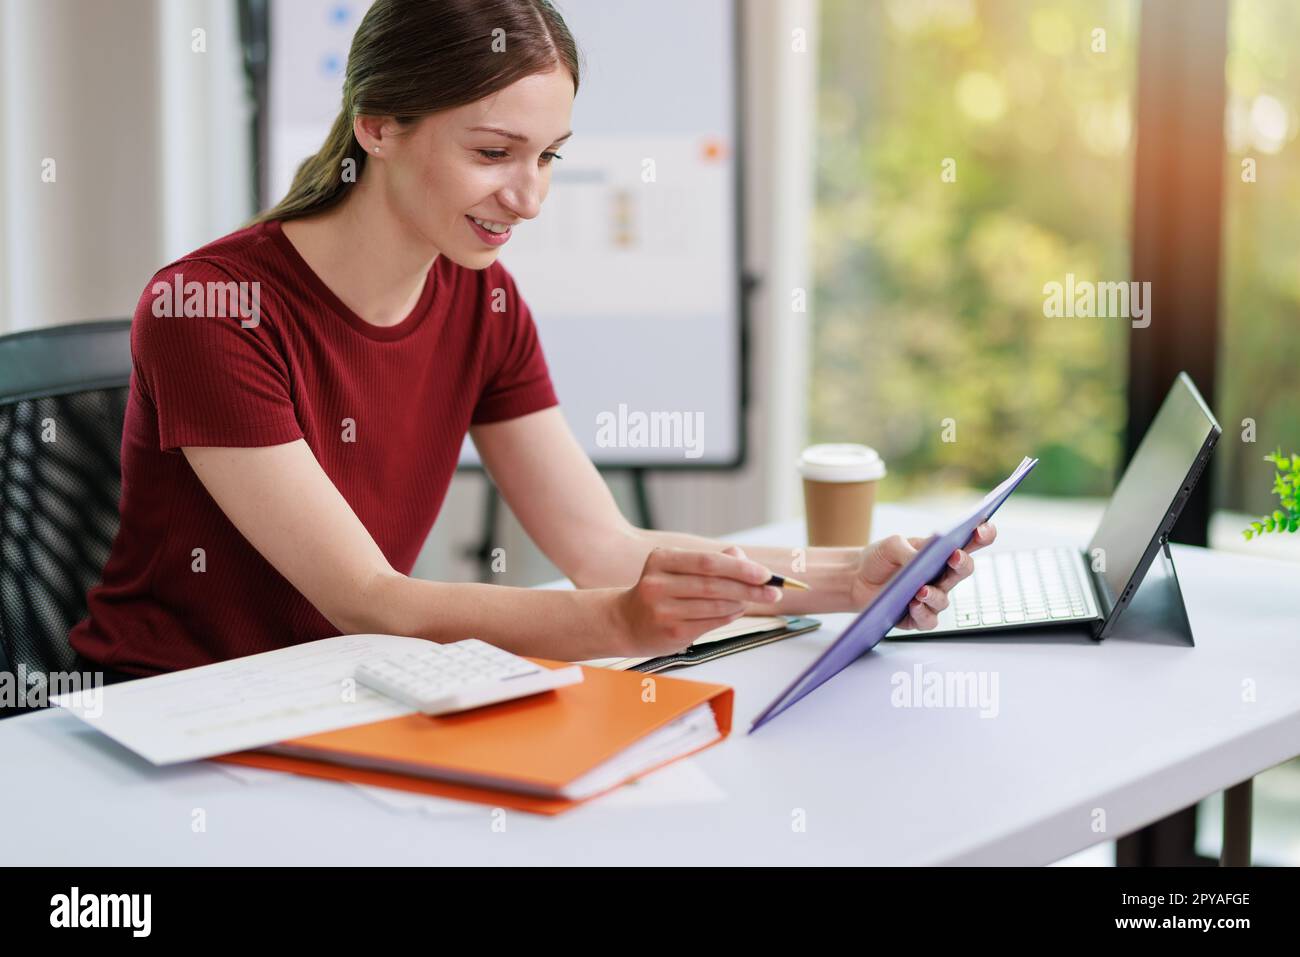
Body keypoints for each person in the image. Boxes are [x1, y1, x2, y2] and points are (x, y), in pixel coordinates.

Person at [69, 0, 994, 679]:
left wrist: (855, 578)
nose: (529, 197)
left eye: (548, 156)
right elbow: (368, 598)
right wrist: (620, 628)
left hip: (345, 698)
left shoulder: (483, 302)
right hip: (178, 717)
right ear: (378, 127)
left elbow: (601, 544)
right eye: (491, 153)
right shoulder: (208, 308)